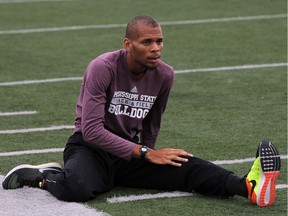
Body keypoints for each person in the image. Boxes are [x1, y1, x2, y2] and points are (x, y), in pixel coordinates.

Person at [2, 15, 281, 207]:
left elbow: (152, 123)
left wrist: (151, 155)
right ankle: (43, 177)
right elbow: (91, 130)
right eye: (146, 42)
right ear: (128, 44)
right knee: (76, 189)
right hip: (89, 148)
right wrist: (146, 153)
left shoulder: (165, 75)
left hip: (130, 153)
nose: (155, 48)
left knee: (185, 165)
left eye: (159, 41)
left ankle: (247, 187)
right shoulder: (102, 67)